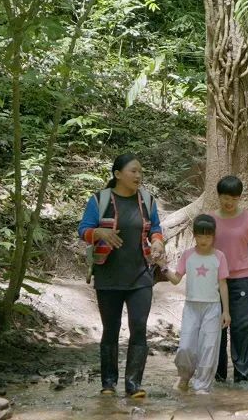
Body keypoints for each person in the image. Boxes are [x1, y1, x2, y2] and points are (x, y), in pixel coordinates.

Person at [77, 153, 164, 398]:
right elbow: (83, 229)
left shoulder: (147, 200)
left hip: (141, 276)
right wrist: (100, 234)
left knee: (138, 327)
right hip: (108, 275)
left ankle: (134, 384)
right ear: (117, 174)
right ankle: (108, 383)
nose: (139, 176)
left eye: (140, 171)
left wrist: (158, 243)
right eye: (133, 171)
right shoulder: (100, 200)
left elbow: (155, 228)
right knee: (111, 329)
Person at [161, 215, 231, 394]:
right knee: (185, 346)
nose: (203, 240)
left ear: (214, 236)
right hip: (191, 307)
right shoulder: (188, 255)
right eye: (200, 236)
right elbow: (176, 279)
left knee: (209, 348)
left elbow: (223, 284)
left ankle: (203, 387)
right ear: (194, 236)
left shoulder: (219, 256)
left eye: (208, 236)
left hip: (213, 308)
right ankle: (184, 376)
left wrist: (226, 312)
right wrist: (162, 267)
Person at [210, 176, 248, 385]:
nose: (228, 202)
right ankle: (218, 376)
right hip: (215, 282)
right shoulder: (210, 219)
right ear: (218, 197)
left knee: (241, 327)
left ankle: (243, 377)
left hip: (241, 279)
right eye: (224, 197)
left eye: (232, 198)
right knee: (217, 329)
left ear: (239, 198)